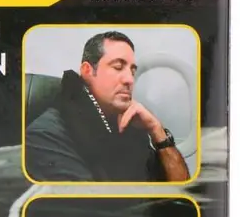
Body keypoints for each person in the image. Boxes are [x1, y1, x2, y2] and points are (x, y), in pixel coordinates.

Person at [25, 31, 191, 183]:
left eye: (132, 72)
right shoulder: (46, 135)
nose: (129, 79)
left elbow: (180, 190)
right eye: (118, 67)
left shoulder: (130, 128)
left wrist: (157, 132)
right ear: (87, 71)